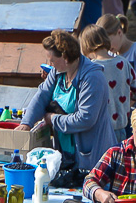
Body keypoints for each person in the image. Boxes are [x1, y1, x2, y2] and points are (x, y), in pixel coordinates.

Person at [17, 30, 117, 173]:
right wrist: (26, 123)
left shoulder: (92, 78)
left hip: (92, 157)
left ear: (65, 57)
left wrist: (52, 119)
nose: (49, 64)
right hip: (65, 152)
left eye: (52, 60)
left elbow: (85, 119)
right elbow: (42, 95)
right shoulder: (57, 72)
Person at [79, 25, 136, 143]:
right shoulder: (123, 63)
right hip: (123, 127)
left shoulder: (91, 69)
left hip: (101, 130)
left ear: (86, 45)